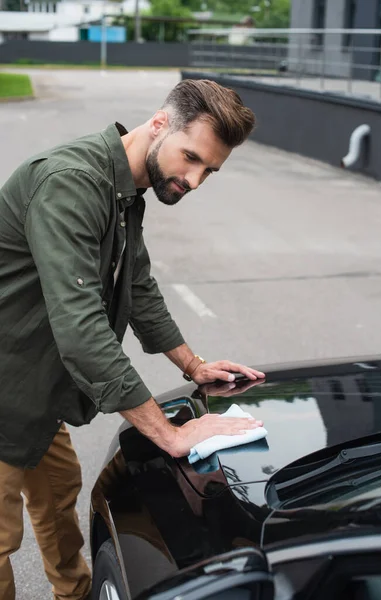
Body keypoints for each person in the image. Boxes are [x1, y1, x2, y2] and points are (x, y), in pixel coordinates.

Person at [0, 78, 265, 600]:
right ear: (159, 124)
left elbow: (137, 287)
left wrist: (193, 366)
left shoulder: (125, 189)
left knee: (58, 512)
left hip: (39, 395)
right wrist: (168, 433)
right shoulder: (72, 183)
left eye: (209, 169)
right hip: (3, 391)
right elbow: (82, 330)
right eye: (191, 157)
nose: (194, 179)